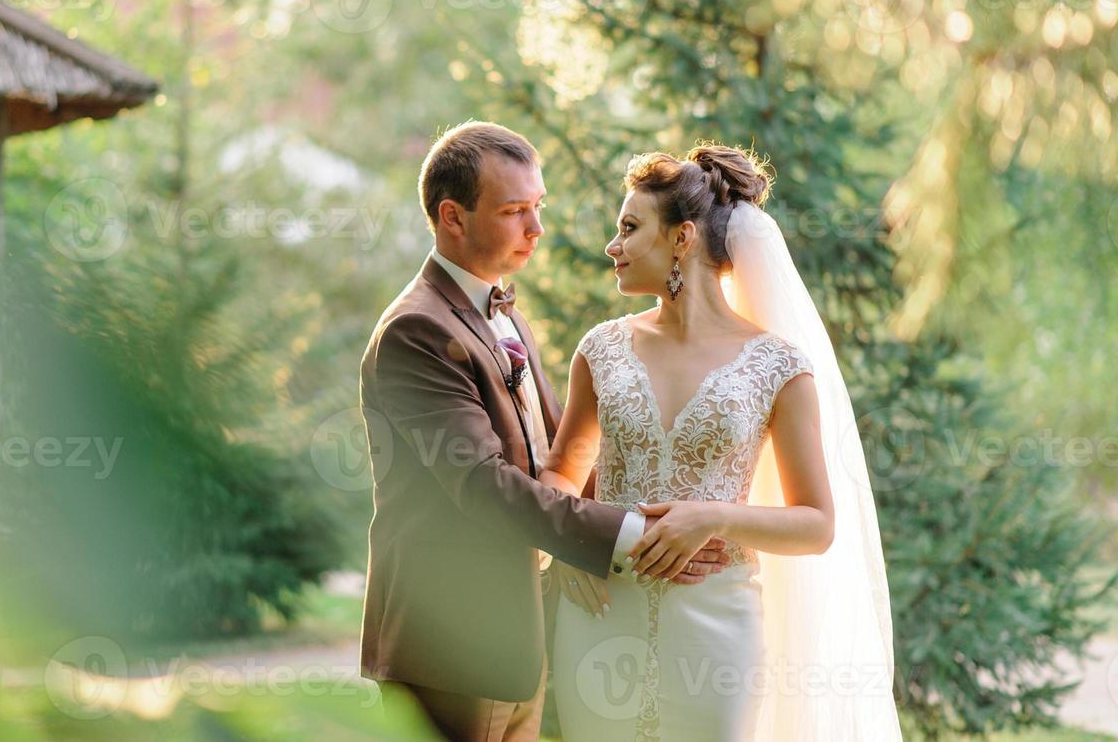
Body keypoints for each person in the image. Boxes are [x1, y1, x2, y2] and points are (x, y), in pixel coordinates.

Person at [358, 122, 730, 742]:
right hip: (450, 643)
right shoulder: (414, 332)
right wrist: (635, 537)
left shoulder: (501, 310)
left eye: (538, 207)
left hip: (514, 639)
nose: (536, 229)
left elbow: (553, 450)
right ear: (452, 217)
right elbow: (484, 484)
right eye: (513, 211)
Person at [544, 145, 901, 740]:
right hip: (598, 616)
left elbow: (816, 523)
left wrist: (712, 517)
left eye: (629, 228)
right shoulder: (600, 348)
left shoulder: (778, 365)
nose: (613, 246)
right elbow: (561, 471)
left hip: (716, 630)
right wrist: (567, 541)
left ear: (682, 238)